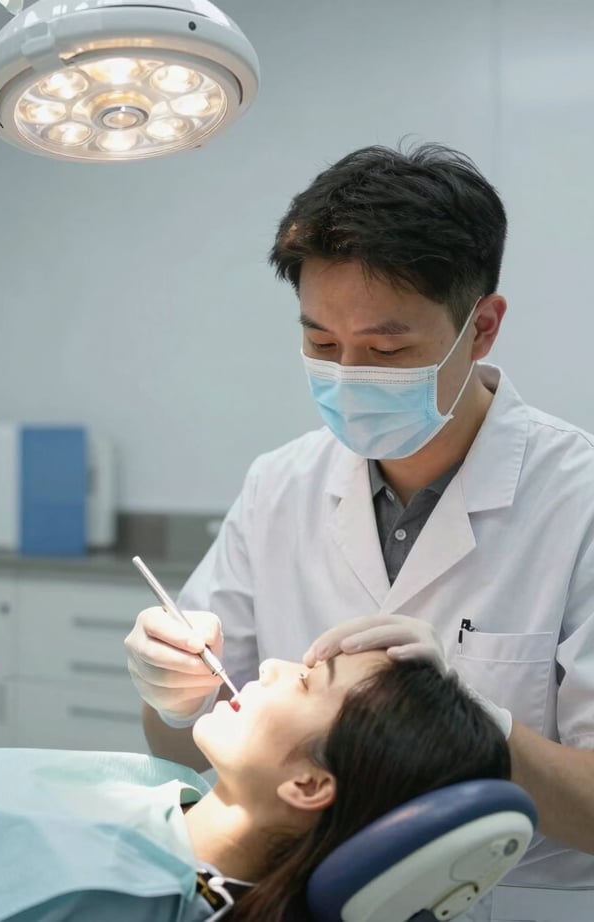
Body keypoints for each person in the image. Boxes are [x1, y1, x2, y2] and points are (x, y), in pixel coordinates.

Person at [125, 143, 594, 921]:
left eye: (387, 350)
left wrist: (481, 728)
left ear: (482, 328)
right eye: (319, 343)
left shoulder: (578, 502)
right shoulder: (280, 485)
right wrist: (169, 696)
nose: (347, 375)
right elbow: (189, 745)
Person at [0, 654, 509, 922]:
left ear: (307, 783)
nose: (270, 664)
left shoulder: (119, 896)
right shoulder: (165, 789)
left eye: (304, 680)